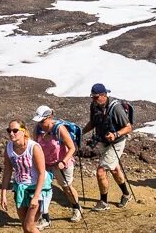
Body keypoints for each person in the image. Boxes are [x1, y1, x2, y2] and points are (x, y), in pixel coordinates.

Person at [2, 119, 50, 233]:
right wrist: (3, 193)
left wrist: (36, 196)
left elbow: (42, 173)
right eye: (9, 131)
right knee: (24, 225)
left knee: (29, 226)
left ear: (23, 131)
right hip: (20, 188)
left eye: (15, 130)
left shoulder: (33, 147)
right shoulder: (9, 148)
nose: (11, 134)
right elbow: (8, 170)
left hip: (36, 188)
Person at [83, 83, 134, 211]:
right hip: (105, 141)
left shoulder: (116, 108)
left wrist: (115, 134)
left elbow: (128, 127)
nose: (93, 100)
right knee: (115, 170)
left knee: (101, 172)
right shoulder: (94, 106)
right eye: (92, 97)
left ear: (104, 95)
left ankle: (104, 202)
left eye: (96, 97)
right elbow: (93, 122)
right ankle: (126, 195)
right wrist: (80, 132)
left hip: (117, 142)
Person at [32, 105, 83, 225]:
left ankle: (77, 208)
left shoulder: (59, 129)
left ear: (50, 117)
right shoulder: (38, 129)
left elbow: (72, 148)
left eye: (42, 121)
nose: (40, 124)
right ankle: (45, 218)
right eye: (39, 121)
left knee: (67, 188)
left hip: (62, 163)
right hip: (46, 163)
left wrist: (63, 161)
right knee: (43, 189)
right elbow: (35, 146)